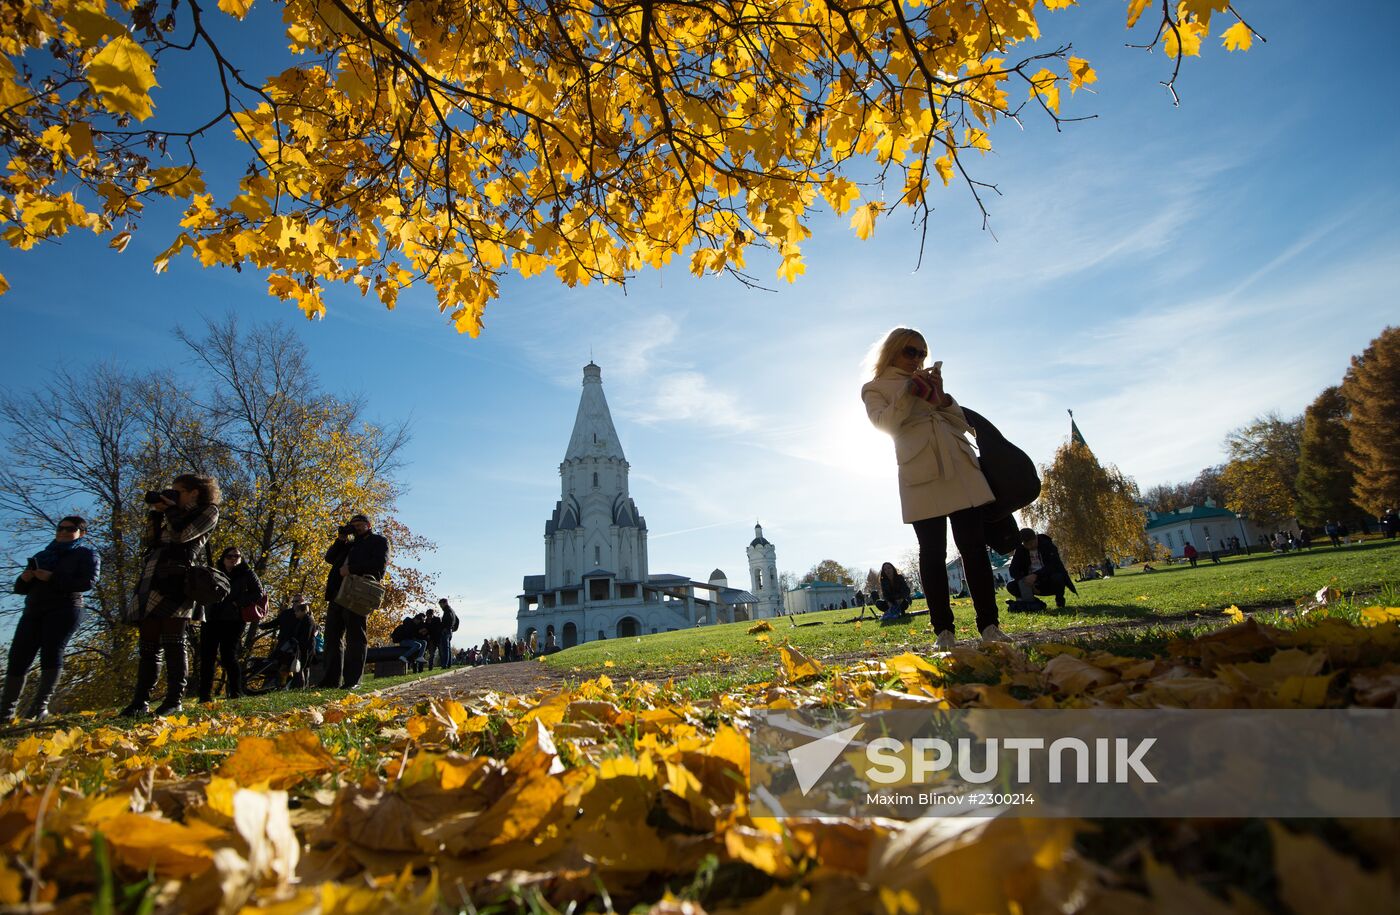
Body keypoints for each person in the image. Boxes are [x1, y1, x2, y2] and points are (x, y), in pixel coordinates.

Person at [861, 327, 1009, 651]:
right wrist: (909, 392)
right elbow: (885, 424)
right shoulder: (874, 388)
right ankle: (944, 630)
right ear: (893, 351)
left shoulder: (929, 381)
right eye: (911, 351)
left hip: (958, 466)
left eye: (922, 353)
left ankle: (990, 625)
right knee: (932, 553)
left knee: (974, 548)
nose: (918, 359)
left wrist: (941, 397)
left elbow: (962, 423)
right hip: (921, 471)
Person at [123, 474, 221, 717]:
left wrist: (170, 510)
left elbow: (183, 536)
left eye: (177, 491)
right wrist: (156, 513)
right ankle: (140, 701)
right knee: (148, 643)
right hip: (153, 574)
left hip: (179, 578)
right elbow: (147, 540)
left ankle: (174, 699)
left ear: (194, 492)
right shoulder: (169, 513)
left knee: (174, 640)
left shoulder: (208, 511)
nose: (171, 494)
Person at [3, 516, 100, 721]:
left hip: (65, 609)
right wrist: (24, 578)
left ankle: (39, 708)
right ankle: (6, 712)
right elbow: (20, 589)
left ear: (81, 533)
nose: (64, 532)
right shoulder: (43, 554)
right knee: (18, 656)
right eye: (60, 528)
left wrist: (52, 577)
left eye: (70, 529)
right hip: (34, 609)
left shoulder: (86, 553)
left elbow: (88, 582)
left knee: (51, 653)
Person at [317, 513, 389, 690]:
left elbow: (379, 565)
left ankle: (352, 680)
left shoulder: (378, 541)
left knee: (355, 637)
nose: (355, 527)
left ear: (368, 525)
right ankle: (330, 680)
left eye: (359, 524)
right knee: (332, 638)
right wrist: (341, 539)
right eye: (353, 524)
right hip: (336, 594)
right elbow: (329, 558)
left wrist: (351, 569)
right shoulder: (348, 544)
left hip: (357, 593)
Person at [197, 546, 263, 703]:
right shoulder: (214, 572)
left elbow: (258, 592)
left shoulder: (247, 573)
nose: (234, 558)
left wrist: (237, 603)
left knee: (228, 656)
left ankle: (235, 693)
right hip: (211, 619)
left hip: (233, 620)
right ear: (223, 558)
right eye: (230, 556)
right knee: (207, 657)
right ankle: (204, 696)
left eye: (237, 556)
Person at [1007, 528, 1076, 610]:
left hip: (1049, 581)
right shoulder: (1020, 550)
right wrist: (1024, 579)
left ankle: (1059, 600)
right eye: (1026, 544)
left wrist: (1036, 575)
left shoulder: (1048, 545)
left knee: (1058, 577)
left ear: (1036, 538)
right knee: (1011, 586)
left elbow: (1054, 565)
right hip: (1031, 584)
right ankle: (1034, 603)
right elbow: (1013, 570)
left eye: (1032, 543)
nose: (1030, 546)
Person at [260, 596, 316, 688]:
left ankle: (301, 688)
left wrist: (299, 645)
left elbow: (308, 634)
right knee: (284, 666)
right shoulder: (286, 613)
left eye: (296, 601)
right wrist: (264, 626)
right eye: (293, 601)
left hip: (300, 646)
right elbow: (276, 622)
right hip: (285, 644)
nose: (294, 603)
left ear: (302, 603)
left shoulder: (308, 618)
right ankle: (282, 686)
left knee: (302, 667)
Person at [436, 598, 458, 669]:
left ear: (444, 603)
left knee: (445, 649)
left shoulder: (447, 610)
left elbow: (450, 620)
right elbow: (457, 620)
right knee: (448, 648)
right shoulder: (452, 610)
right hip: (450, 631)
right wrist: (454, 628)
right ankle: (448, 664)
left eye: (441, 605)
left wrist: (447, 627)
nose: (440, 607)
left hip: (446, 631)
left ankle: (444, 665)